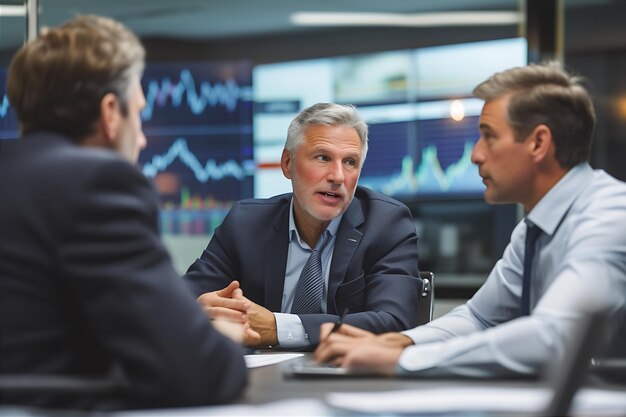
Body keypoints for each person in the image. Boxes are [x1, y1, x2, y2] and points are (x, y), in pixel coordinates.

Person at [0, 15, 250, 410]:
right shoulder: (96, 181)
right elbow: (199, 371)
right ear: (111, 113)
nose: (145, 137)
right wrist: (224, 339)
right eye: (139, 113)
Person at [314, 62, 626, 378]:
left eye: (488, 136)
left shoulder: (610, 216)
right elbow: (480, 318)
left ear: (538, 143)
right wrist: (400, 342)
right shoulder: (532, 229)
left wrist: (402, 362)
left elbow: (555, 336)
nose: (476, 154)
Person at [184, 102, 421, 349]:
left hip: (346, 378)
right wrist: (204, 307)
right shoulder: (245, 223)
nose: (338, 176)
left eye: (350, 162)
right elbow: (180, 301)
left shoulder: (386, 224)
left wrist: (277, 327)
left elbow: (394, 322)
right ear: (287, 163)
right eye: (323, 157)